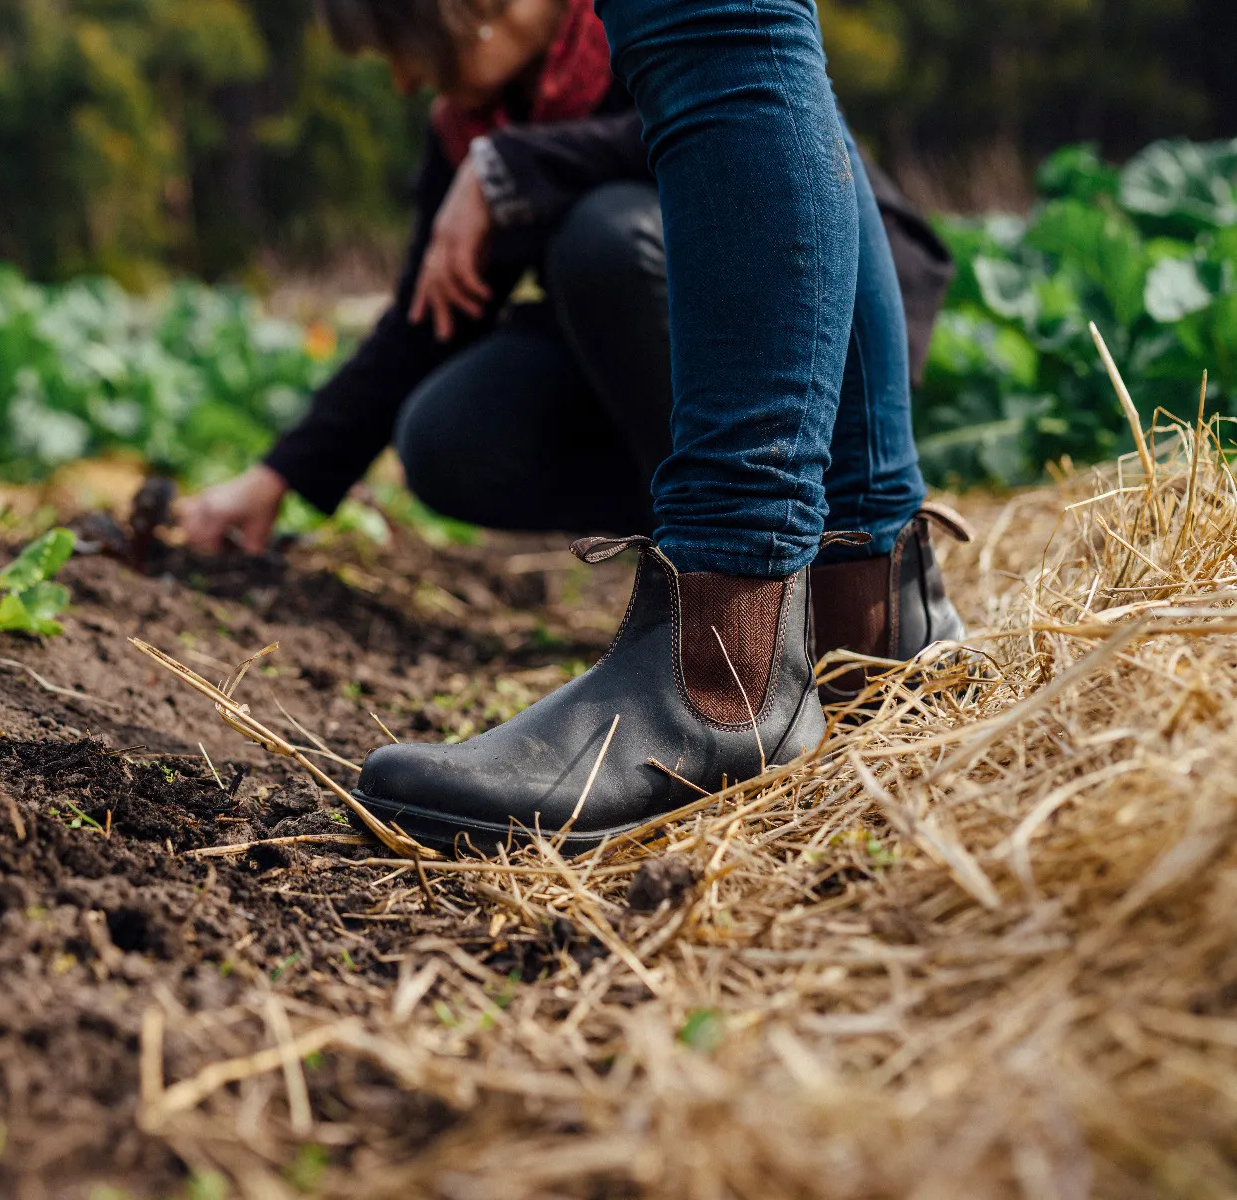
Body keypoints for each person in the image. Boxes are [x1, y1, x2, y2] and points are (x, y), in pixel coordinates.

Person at [181, 0, 970, 849]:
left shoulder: (555, 90)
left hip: (789, 327)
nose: (404, 79)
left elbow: (732, 102)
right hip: (691, 343)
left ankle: (725, 660)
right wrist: (278, 477)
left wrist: (514, 166)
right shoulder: (475, 119)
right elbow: (421, 321)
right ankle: (860, 607)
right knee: (450, 428)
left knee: (707, 29)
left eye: (398, 49)